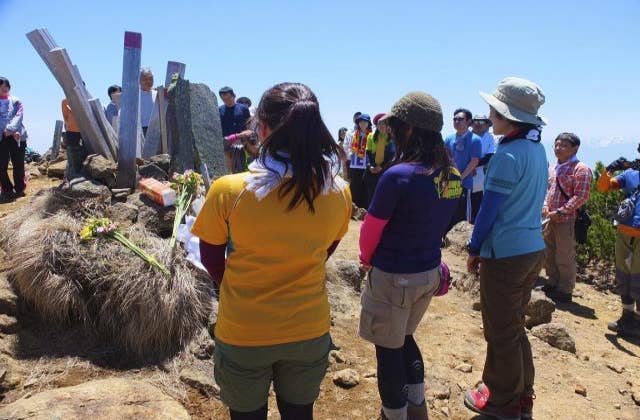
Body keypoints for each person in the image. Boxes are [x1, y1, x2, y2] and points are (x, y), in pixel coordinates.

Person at [192, 82, 351, 420]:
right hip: (309, 328)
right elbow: (327, 248)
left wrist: (233, 285)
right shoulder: (339, 193)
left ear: (261, 129)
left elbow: (209, 256)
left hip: (244, 330)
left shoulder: (229, 191)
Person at [358, 91, 462, 420]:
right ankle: (417, 408)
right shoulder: (452, 174)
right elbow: (444, 221)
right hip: (427, 272)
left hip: (393, 276)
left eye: (395, 127)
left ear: (409, 129)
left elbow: (371, 230)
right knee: (404, 339)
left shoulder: (397, 175)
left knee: (388, 354)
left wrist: (366, 259)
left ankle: (394, 415)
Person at [464, 77, 548, 419]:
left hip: (507, 254)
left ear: (507, 117)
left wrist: (474, 246)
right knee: (513, 325)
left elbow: (489, 209)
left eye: (494, 111)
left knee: (499, 329)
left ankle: (502, 400)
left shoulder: (507, 154)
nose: (488, 116)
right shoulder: (536, 149)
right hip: (532, 248)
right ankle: (521, 392)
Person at [542, 133, 592, 303]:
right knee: (549, 252)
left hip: (566, 219)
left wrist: (561, 211)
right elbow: (548, 189)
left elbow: (581, 196)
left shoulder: (581, 169)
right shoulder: (554, 167)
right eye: (556, 144)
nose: (558, 148)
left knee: (564, 255)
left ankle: (565, 290)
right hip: (550, 218)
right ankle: (552, 281)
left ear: (575, 148)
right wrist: (546, 207)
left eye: (563, 145)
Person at [596, 154, 640, 338]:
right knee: (624, 275)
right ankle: (627, 316)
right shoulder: (630, 174)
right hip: (624, 231)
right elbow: (603, 188)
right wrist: (609, 169)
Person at [444, 108, 482, 233]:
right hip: (449, 183)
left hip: (465, 183)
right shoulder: (449, 139)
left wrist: (460, 177)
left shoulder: (475, 139)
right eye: (454, 119)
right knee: (449, 211)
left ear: (469, 121)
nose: (456, 121)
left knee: (464, 214)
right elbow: (445, 157)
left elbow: (474, 161)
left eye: (460, 119)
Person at [0, 77, 28, 200]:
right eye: (1, 86)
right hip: (1, 137)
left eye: (6, 85)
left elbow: (19, 115)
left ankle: (19, 188)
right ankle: (7, 189)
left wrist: (11, 130)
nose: (4, 88)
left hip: (16, 136)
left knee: (18, 164)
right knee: (1, 166)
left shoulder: (16, 101)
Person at [218, 86, 253, 174]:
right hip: (227, 142)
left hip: (242, 141)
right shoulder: (220, 110)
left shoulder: (243, 109)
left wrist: (245, 139)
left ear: (234, 96)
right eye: (224, 99)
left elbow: (249, 127)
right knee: (230, 169)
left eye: (229, 98)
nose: (227, 101)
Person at [470, 114, 496, 223]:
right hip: (465, 171)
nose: (478, 124)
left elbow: (489, 156)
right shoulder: (467, 136)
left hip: (481, 171)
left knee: (478, 198)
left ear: (487, 125)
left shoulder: (490, 137)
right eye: (476, 121)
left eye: (481, 122)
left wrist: (473, 165)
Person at [364, 113, 394, 204]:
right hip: (372, 170)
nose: (381, 126)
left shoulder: (393, 138)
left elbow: (393, 156)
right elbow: (367, 153)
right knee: (371, 196)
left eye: (383, 124)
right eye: (378, 124)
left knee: (385, 196)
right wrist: (370, 166)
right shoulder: (371, 136)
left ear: (388, 125)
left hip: (386, 170)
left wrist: (382, 167)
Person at [349, 114, 372, 208]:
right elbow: (348, 147)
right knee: (355, 185)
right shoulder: (352, 134)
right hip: (354, 164)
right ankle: (353, 208)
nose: (362, 124)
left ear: (368, 123)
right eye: (361, 122)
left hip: (366, 164)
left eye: (365, 122)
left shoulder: (371, 135)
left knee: (365, 186)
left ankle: (364, 208)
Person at [61, 97, 88, 180]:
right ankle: (72, 176)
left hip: (85, 130)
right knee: (72, 154)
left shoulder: (85, 99)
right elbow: (65, 116)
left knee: (85, 152)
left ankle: (83, 174)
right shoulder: (65, 100)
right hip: (72, 130)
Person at [343, 112, 362, 181]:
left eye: (360, 118)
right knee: (354, 183)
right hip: (352, 162)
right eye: (356, 117)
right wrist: (351, 155)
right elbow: (345, 146)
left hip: (364, 162)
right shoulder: (349, 132)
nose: (358, 119)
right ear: (353, 120)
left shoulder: (367, 131)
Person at [139, 68, 156, 136]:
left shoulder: (157, 94)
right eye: (145, 79)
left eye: (150, 79)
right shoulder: (135, 96)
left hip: (155, 130)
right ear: (139, 80)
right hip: (140, 130)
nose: (148, 81)